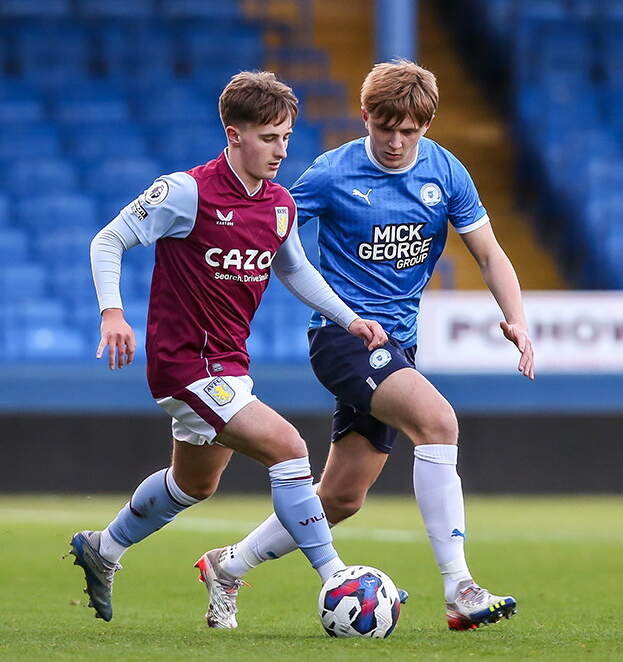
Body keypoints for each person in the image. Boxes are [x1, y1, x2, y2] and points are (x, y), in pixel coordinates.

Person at [200, 60, 535, 631]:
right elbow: (269, 225)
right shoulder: (332, 173)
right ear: (365, 118)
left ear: (426, 126)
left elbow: (488, 251)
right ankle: (460, 588)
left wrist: (517, 320)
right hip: (342, 339)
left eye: (411, 131)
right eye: (387, 128)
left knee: (339, 499)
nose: (398, 142)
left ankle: (228, 566)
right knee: (439, 421)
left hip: (398, 349)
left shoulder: (446, 172)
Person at [67, 70, 388, 625]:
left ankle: (104, 549)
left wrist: (350, 318)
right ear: (233, 133)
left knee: (193, 484)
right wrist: (112, 313)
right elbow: (109, 239)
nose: (281, 150)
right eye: (269, 137)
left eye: (287, 137)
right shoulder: (186, 192)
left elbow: (295, 269)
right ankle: (335, 574)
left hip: (230, 365)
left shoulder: (280, 204)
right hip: (184, 364)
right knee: (289, 448)